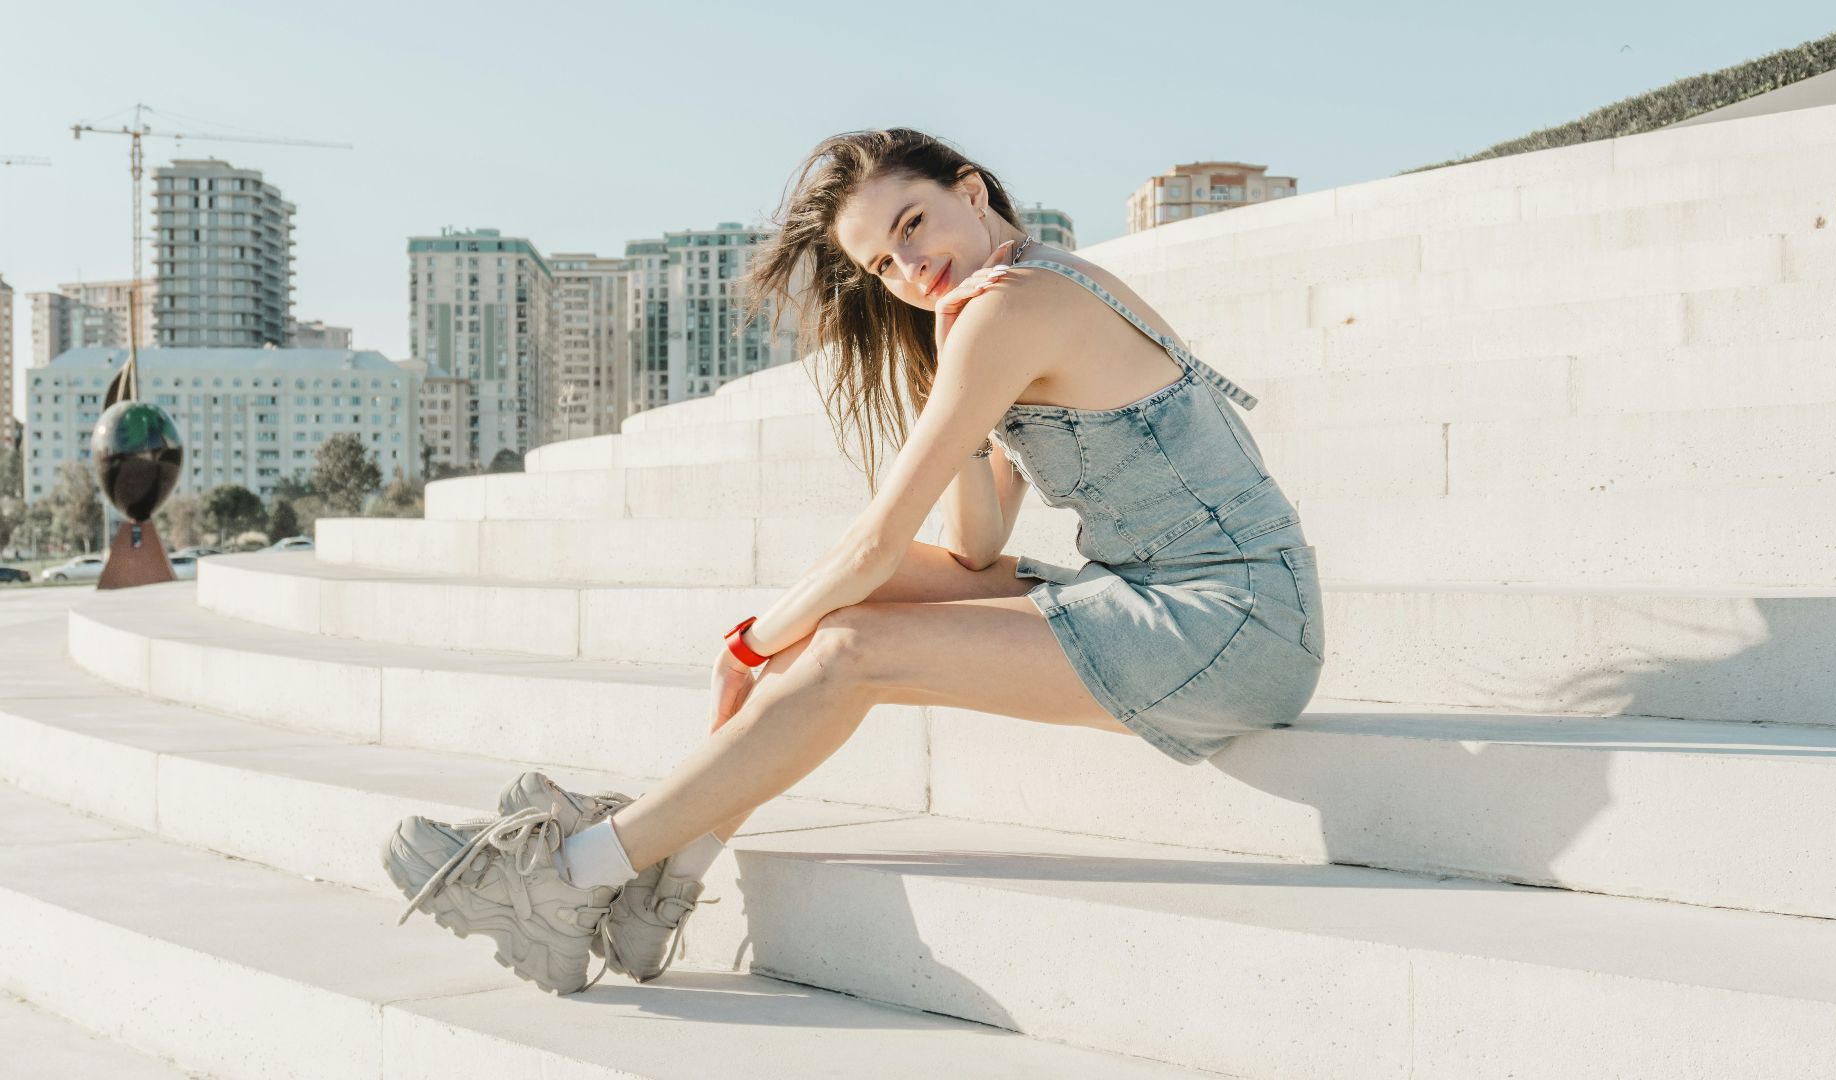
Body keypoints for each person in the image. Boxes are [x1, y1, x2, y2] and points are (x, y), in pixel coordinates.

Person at [383, 127, 1326, 995]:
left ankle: (571, 876)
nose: (912, 266)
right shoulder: (996, 304)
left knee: (845, 648)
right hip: (1168, 592)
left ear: (970, 189)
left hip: (1233, 625)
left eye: (914, 224)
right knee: (845, 607)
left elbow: (879, 539)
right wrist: (956, 408)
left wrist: (750, 645)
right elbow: (974, 545)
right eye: (885, 261)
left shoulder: (1018, 305)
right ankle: (659, 889)